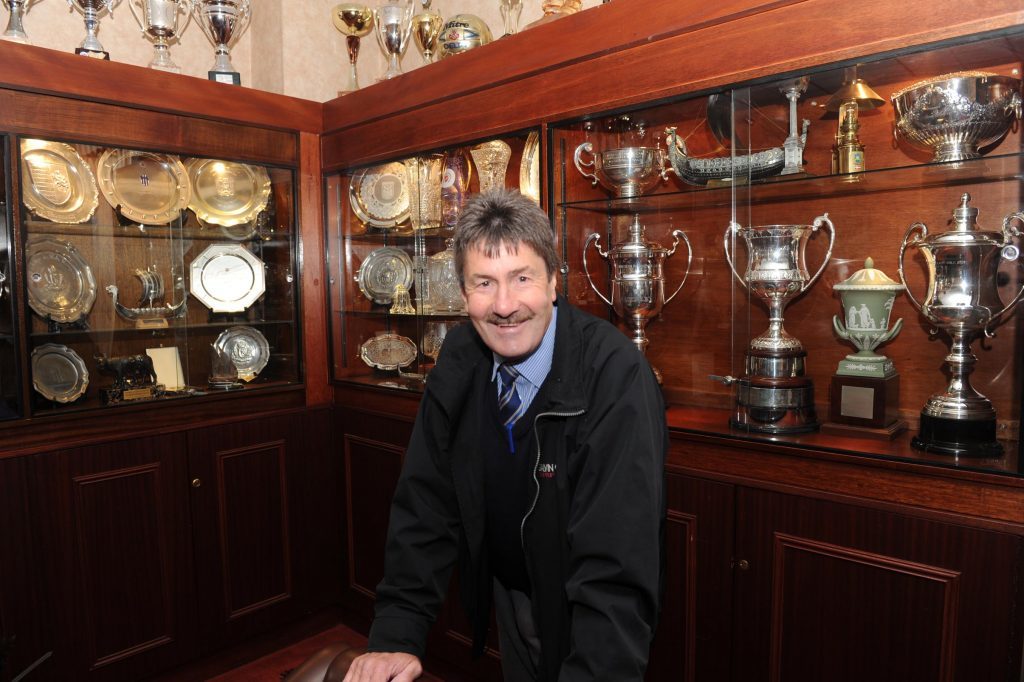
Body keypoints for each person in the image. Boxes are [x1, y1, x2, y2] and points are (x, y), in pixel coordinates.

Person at [344, 189, 668, 682]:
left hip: (585, 610)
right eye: (483, 283)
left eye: (522, 279)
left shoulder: (615, 374)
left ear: (555, 282)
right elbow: (426, 503)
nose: (504, 306)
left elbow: (617, 565)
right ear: (462, 291)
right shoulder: (459, 356)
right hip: (510, 593)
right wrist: (397, 635)